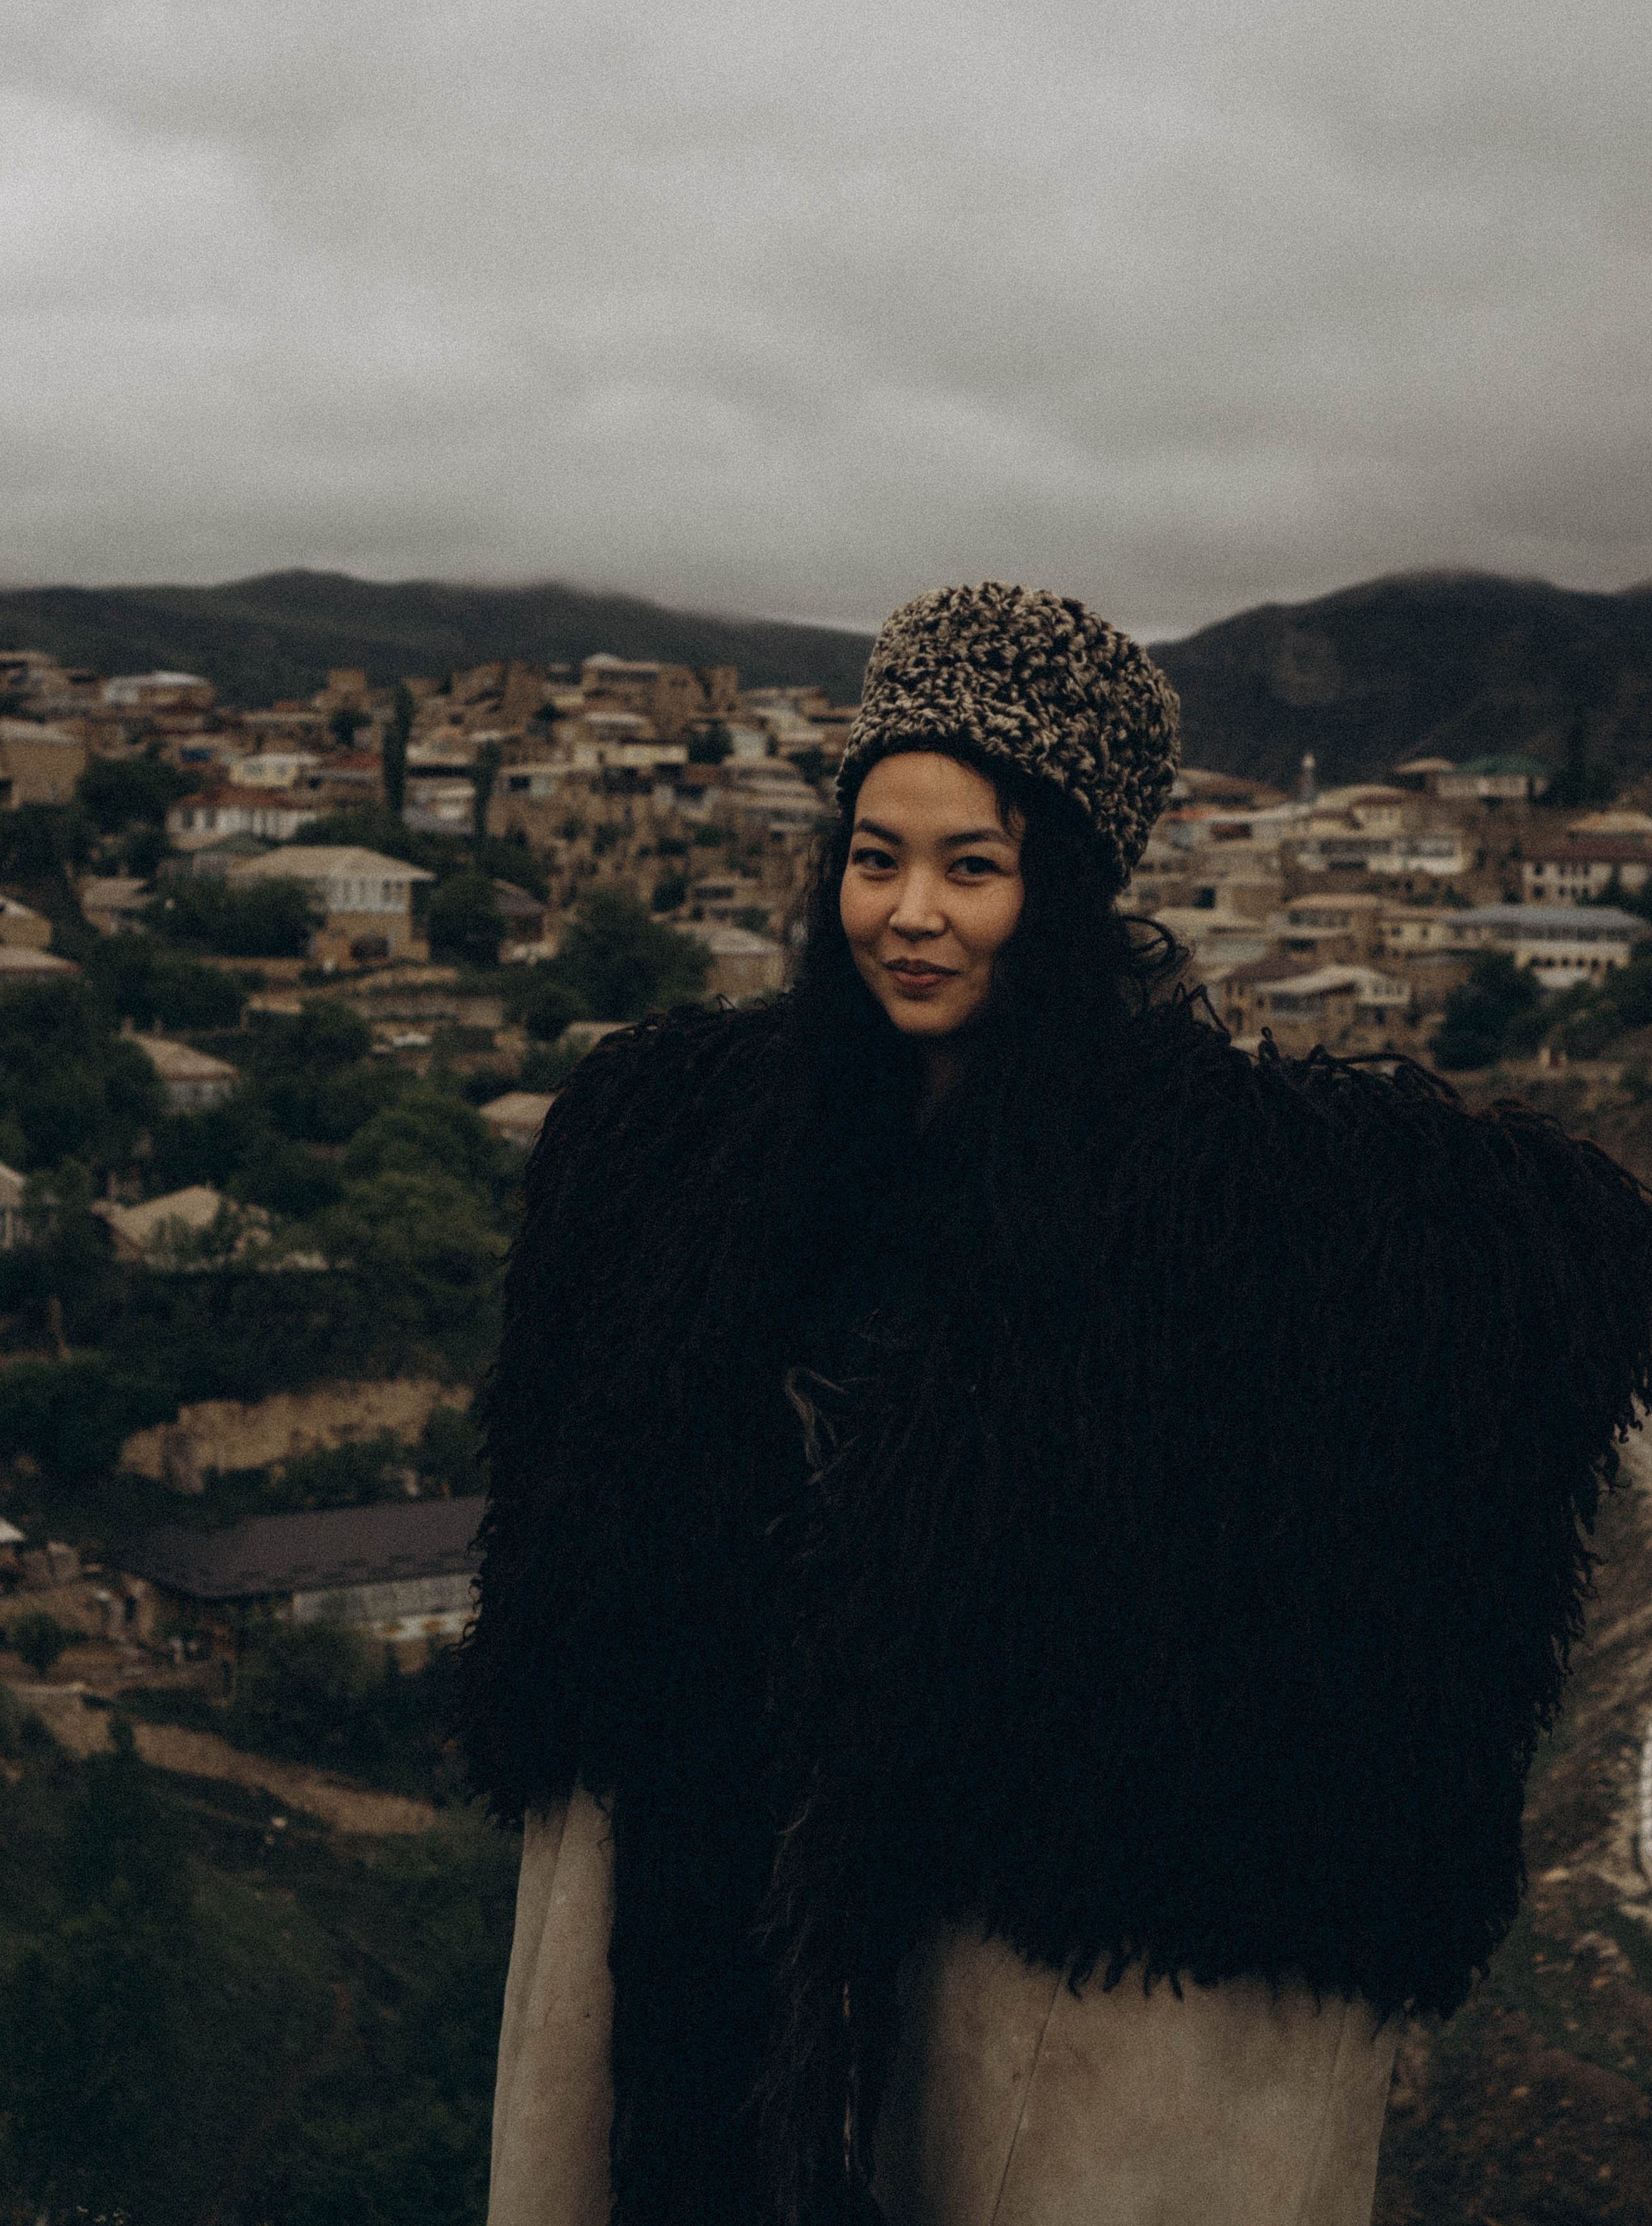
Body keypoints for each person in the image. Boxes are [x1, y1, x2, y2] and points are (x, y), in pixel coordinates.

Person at [463, 582, 1652, 2226]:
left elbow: (1479, 1293)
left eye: (973, 867)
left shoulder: (1199, 1202)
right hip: (709, 1863)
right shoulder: (707, 1147)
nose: (909, 915)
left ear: (1067, 889)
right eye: (876, 858)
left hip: (979, 1930)